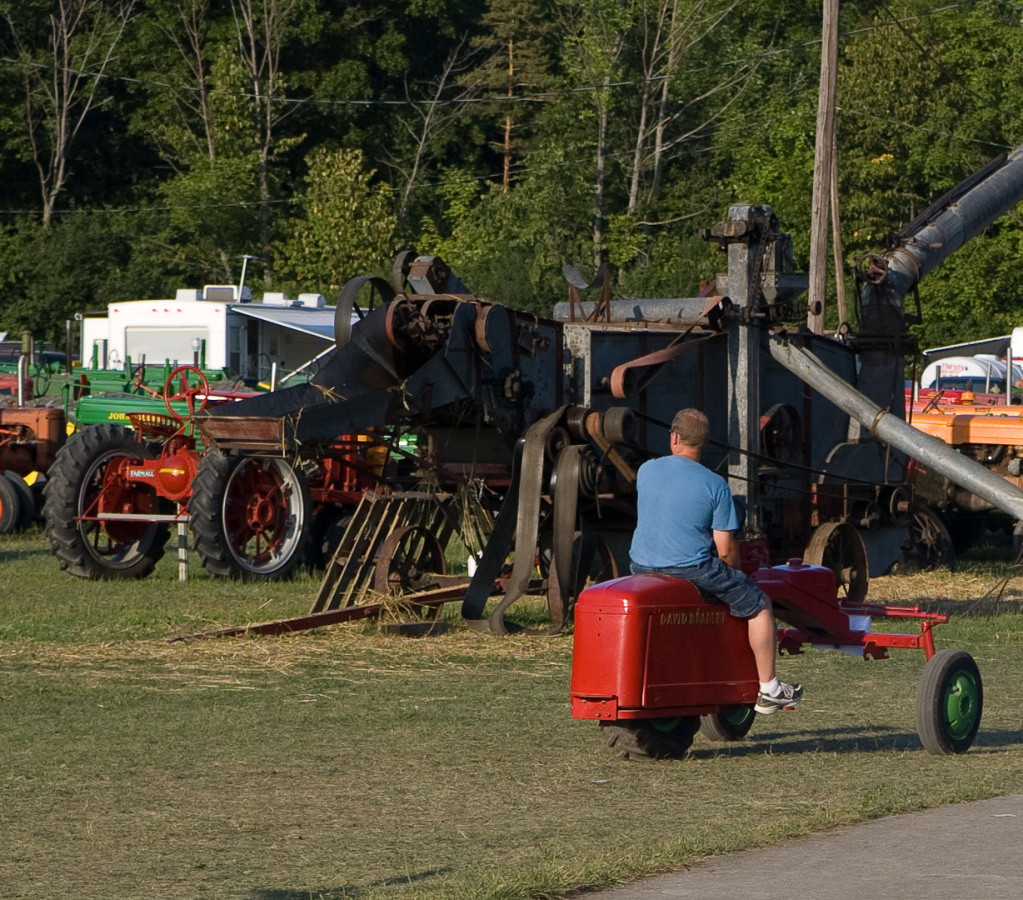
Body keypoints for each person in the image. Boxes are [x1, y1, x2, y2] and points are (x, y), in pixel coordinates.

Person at [629, 408, 802, 715]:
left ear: (674, 438)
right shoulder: (716, 485)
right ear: (703, 444)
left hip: (640, 566)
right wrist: (737, 573)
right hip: (690, 569)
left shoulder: (646, 470)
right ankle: (770, 688)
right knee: (759, 604)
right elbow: (724, 549)